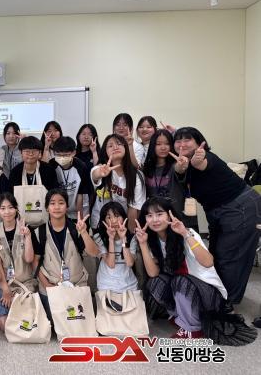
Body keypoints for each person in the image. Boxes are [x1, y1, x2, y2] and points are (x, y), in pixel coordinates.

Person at [172, 127, 261, 308]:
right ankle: (219, 295)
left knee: (230, 257)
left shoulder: (206, 157)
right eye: (178, 140)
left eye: (187, 140)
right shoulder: (184, 162)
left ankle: (226, 303)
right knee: (215, 254)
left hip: (240, 206)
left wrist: (198, 160)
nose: (182, 144)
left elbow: (202, 163)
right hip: (216, 211)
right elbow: (180, 168)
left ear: (199, 143)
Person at [135, 197, 227, 338]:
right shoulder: (152, 240)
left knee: (179, 280)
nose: (155, 220)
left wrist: (185, 233)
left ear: (169, 214)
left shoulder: (188, 232)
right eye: (149, 215)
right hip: (183, 288)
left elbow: (209, 262)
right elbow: (153, 273)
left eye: (159, 214)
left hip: (207, 293)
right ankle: (182, 316)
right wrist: (142, 244)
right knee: (155, 282)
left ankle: (193, 329)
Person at [35, 189, 98, 320]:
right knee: (55, 323)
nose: (57, 207)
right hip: (51, 286)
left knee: (77, 322)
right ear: (46, 208)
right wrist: (47, 285)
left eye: (61, 203)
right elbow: (35, 263)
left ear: (67, 206)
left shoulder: (77, 228)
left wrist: (84, 232)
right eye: (52, 203)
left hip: (76, 285)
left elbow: (94, 253)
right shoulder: (39, 232)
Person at [0, 193, 37, 331]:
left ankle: (22, 331)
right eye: (3, 208)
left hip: (25, 282)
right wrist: (5, 289)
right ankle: (19, 332)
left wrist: (27, 236)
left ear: (16, 209)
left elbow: (29, 259)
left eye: (10, 207)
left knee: (29, 318)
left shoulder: (26, 228)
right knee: (3, 323)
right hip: (4, 283)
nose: (7, 212)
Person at [90, 134, 146, 233]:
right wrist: (100, 173)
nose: (115, 147)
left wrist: (130, 235)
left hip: (122, 225)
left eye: (119, 144)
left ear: (125, 148)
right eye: (110, 145)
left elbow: (134, 208)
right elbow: (95, 175)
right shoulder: (101, 168)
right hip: (100, 223)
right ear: (105, 151)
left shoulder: (136, 176)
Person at [142, 129, 197, 229]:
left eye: (167, 143)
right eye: (158, 144)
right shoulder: (147, 168)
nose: (163, 147)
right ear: (153, 146)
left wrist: (182, 166)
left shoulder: (174, 165)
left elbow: (179, 169)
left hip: (179, 220)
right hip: (157, 220)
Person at [91, 202, 138, 293]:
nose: (113, 220)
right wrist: (111, 239)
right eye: (109, 217)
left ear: (123, 217)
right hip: (106, 284)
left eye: (117, 216)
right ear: (103, 220)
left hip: (129, 284)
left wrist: (123, 239)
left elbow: (129, 263)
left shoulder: (131, 237)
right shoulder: (99, 237)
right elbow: (111, 264)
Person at [48, 136, 92, 220]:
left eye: (65, 155)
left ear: (73, 153)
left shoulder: (81, 166)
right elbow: (52, 193)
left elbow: (81, 195)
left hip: (77, 209)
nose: (62, 158)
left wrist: (80, 219)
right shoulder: (51, 165)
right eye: (58, 155)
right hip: (58, 210)